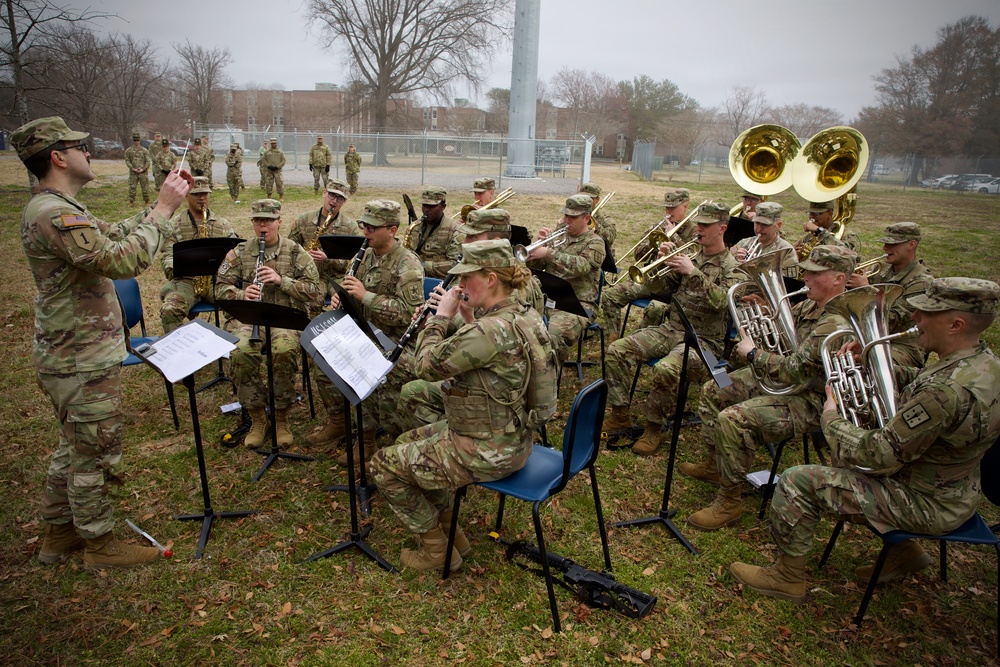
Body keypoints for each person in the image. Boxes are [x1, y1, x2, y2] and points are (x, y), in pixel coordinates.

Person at [730, 277, 1000, 602]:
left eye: (927, 313)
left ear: (956, 324)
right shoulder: (983, 365)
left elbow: (878, 455)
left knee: (798, 480)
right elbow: (924, 383)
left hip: (924, 502)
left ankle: (786, 576)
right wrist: (872, 363)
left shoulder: (945, 392)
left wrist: (830, 418)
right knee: (843, 459)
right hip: (954, 491)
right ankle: (905, 551)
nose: (915, 318)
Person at [14, 116, 190, 569]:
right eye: (78, 147)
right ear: (57, 157)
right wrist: (166, 212)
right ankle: (100, 545)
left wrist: (157, 204)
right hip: (80, 356)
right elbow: (121, 258)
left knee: (75, 445)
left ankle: (58, 534)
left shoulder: (60, 206)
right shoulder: (54, 212)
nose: (87, 153)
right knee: (94, 453)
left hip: (74, 352)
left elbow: (110, 233)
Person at [370, 239, 557, 571]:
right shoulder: (523, 314)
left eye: (464, 278)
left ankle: (436, 553)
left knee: (383, 466)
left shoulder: (489, 331)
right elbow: (493, 359)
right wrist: (468, 315)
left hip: (486, 449)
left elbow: (425, 365)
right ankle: (451, 534)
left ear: (490, 278)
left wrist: (440, 319)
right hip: (511, 437)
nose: (458, 286)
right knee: (404, 442)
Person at [684, 245, 856, 531]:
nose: (806, 278)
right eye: (807, 271)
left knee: (733, 418)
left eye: (815, 273)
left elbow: (796, 369)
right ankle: (717, 465)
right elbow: (783, 337)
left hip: (811, 398)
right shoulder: (811, 303)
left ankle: (730, 501)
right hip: (782, 380)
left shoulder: (836, 320)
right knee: (716, 387)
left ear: (839, 278)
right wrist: (763, 312)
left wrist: (753, 354)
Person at [602, 203, 739, 455]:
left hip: (704, 342)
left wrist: (693, 272)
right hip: (671, 328)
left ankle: (654, 428)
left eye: (706, 225)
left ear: (722, 228)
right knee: (616, 350)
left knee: (667, 369)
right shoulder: (693, 256)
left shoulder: (734, 267)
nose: (699, 229)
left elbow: (723, 302)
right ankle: (620, 413)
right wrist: (657, 262)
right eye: (698, 224)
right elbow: (658, 289)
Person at [396, 208, 546, 433]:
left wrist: (441, 319)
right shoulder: (491, 279)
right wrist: (464, 316)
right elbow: (483, 338)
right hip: (491, 383)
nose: (464, 242)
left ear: (495, 241)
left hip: (500, 405)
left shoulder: (512, 289)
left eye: (473, 237)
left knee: (407, 376)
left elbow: (488, 338)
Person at [216, 199, 323, 448]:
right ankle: (257, 416)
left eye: (269, 220)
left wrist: (281, 281)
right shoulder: (240, 252)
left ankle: (281, 415)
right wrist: (243, 294)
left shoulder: (296, 252)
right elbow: (219, 288)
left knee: (283, 351)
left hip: (285, 318)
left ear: (279, 222)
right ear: (253, 223)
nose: (263, 225)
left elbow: (315, 293)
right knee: (240, 351)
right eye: (258, 220)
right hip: (248, 318)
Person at [329, 199, 423, 461]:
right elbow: (346, 285)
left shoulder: (408, 263)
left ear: (392, 230)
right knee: (329, 358)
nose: (365, 231)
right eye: (363, 225)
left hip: (397, 339)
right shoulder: (364, 255)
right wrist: (341, 297)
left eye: (372, 227)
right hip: (365, 331)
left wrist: (365, 297)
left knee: (375, 368)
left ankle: (397, 444)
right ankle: (366, 438)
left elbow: (409, 314)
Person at [287, 179, 361, 448]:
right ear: (323, 193)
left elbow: (355, 263)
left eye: (340, 198)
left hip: (335, 283)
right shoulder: (304, 220)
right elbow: (288, 248)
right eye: (331, 195)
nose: (334, 201)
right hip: (307, 282)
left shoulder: (351, 227)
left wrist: (327, 259)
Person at [525, 193, 606, 377]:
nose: (566, 220)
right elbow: (536, 267)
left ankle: (548, 380)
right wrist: (535, 250)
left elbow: (581, 266)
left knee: (553, 334)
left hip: (580, 304)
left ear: (586, 218)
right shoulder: (557, 236)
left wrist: (548, 253)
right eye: (565, 215)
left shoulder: (595, 242)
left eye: (573, 217)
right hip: (550, 298)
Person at [601, 188, 691, 340]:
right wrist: (654, 241)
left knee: (655, 309)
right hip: (650, 279)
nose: (669, 211)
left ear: (686, 206)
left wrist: (673, 237)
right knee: (609, 296)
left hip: (674, 286)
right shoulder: (659, 226)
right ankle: (613, 340)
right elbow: (638, 254)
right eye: (667, 207)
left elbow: (692, 260)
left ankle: (637, 343)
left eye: (673, 208)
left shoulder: (695, 231)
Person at [158, 176, 240, 333]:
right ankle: (180, 350)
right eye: (196, 194)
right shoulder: (174, 225)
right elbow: (168, 254)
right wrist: (176, 267)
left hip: (215, 281)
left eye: (205, 194)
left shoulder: (222, 224)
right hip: (186, 282)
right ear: (186, 195)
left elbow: (236, 252)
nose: (201, 198)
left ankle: (233, 348)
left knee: (238, 306)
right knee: (170, 310)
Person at [846, 222, 933, 368]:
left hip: (903, 344)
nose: (885, 248)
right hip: (873, 337)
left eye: (892, 245)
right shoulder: (882, 269)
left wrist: (866, 289)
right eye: (885, 243)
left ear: (911, 244)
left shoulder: (922, 281)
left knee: (869, 364)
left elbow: (893, 321)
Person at [403, 186, 462, 279]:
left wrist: (424, 266)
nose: (426, 209)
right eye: (424, 205)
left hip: (442, 283)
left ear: (443, 206)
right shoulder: (415, 227)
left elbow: (456, 265)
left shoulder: (454, 230)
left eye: (431, 206)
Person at [791, 201, 862, 268]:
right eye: (810, 213)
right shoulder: (810, 236)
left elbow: (849, 255)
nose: (811, 217)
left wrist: (819, 231)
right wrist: (796, 256)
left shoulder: (846, 234)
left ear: (830, 213)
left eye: (816, 214)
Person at [730, 202, 797, 269]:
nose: (759, 229)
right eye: (757, 223)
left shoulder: (786, 252)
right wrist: (735, 262)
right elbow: (725, 265)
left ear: (778, 225)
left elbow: (786, 279)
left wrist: (757, 267)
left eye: (765, 224)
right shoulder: (743, 243)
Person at [579, 181, 617, 263]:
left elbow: (610, 239)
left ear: (597, 200)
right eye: (583, 197)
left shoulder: (605, 219)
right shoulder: (572, 215)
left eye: (590, 199)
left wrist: (596, 226)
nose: (586, 201)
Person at [124, 132, 152, 206]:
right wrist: (132, 168)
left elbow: (148, 161)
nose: (136, 142)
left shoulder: (144, 150)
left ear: (139, 141)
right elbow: (127, 161)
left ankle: (146, 201)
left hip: (143, 172)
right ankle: (131, 201)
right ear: (133, 141)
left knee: (145, 188)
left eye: (137, 140)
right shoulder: (129, 151)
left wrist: (144, 169)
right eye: (135, 140)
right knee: (132, 188)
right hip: (133, 172)